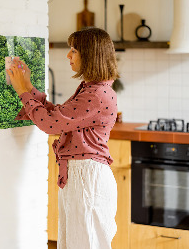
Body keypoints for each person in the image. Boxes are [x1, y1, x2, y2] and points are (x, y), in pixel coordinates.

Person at [7, 27, 119, 249]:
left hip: (87, 178)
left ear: (90, 55)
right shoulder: (92, 89)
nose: (68, 55)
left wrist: (22, 91)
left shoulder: (96, 94)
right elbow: (58, 116)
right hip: (82, 176)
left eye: (74, 50)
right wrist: (28, 86)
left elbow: (50, 124)